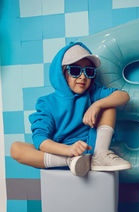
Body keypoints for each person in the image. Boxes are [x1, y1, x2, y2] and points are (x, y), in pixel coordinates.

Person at [11, 42, 132, 176]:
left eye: (89, 71)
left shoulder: (94, 93)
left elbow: (123, 96)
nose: (83, 77)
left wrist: (97, 105)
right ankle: (71, 161)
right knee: (16, 148)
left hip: (92, 149)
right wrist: (68, 151)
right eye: (75, 70)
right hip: (63, 152)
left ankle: (100, 155)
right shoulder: (47, 103)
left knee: (108, 103)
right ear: (63, 74)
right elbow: (40, 139)